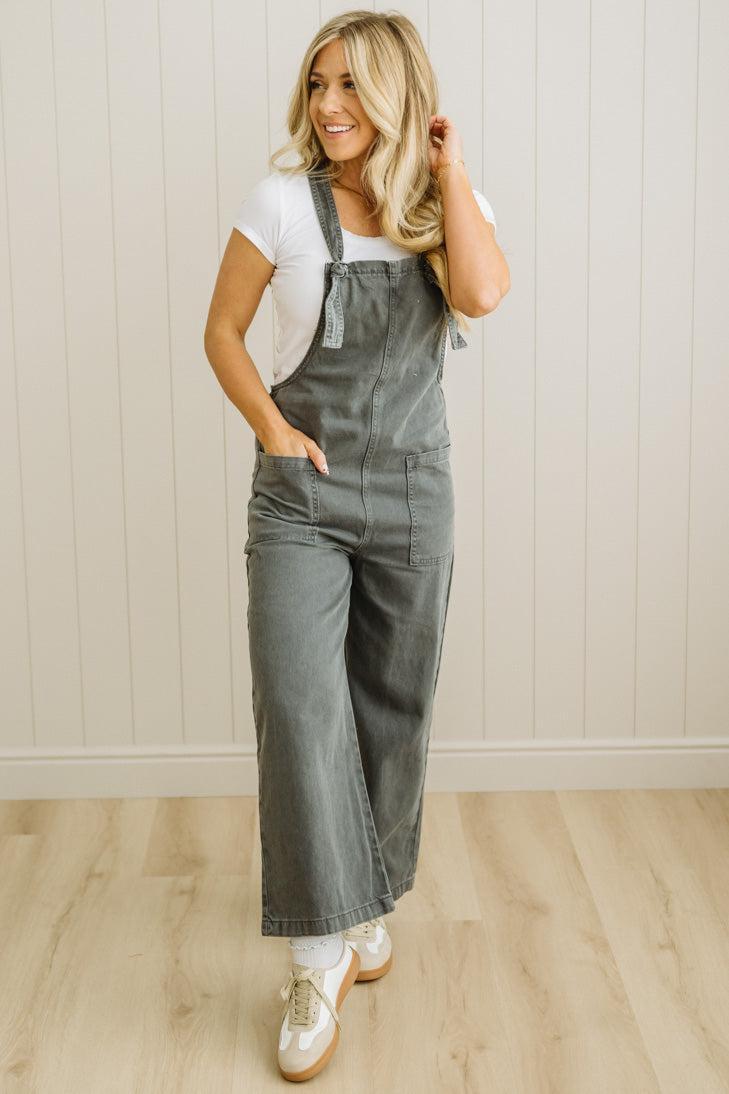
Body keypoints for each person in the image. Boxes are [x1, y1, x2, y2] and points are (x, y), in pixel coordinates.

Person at [204, 10, 510, 1083]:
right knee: (300, 706)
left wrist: (452, 169)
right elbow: (223, 331)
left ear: (395, 92)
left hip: (415, 494)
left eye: (349, 85)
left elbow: (479, 294)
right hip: (301, 496)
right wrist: (271, 427)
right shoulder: (280, 203)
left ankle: (363, 902)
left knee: (391, 703)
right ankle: (316, 952)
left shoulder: (441, 208)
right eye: (317, 83)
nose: (328, 104)